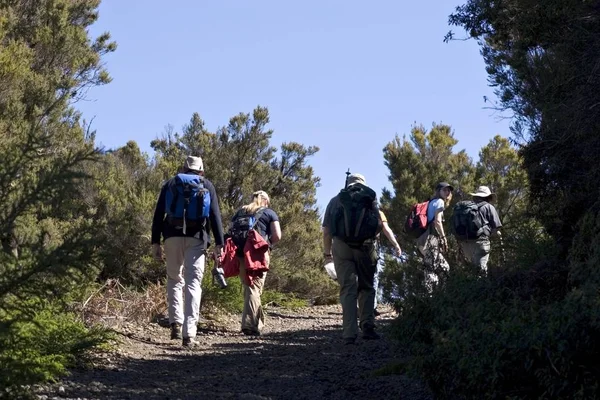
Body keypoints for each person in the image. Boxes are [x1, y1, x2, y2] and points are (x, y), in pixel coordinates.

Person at [151, 155, 224, 347]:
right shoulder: (207, 185)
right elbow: (215, 215)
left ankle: (175, 322)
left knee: (174, 279)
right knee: (193, 282)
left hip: (171, 236)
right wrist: (219, 243)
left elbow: (159, 213)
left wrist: (155, 242)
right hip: (197, 238)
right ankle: (189, 334)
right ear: (201, 170)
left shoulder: (170, 183)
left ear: (183, 168)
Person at [322, 173, 382, 344]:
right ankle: (368, 326)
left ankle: (349, 332)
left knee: (348, 289)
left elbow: (326, 231)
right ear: (363, 184)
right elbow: (379, 224)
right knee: (367, 286)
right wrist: (369, 239)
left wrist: (327, 255)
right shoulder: (370, 197)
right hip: (365, 246)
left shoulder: (335, 200)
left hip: (341, 246)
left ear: (347, 183)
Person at [229, 190, 281, 336]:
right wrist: (267, 243)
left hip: (240, 253)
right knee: (254, 287)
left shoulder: (240, 212)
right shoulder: (269, 213)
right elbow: (277, 235)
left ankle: (257, 322)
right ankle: (249, 325)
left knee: (249, 287)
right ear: (265, 200)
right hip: (258, 253)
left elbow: (230, 230)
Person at [417, 182, 453, 290]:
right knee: (430, 269)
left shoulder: (430, 202)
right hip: (430, 239)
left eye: (449, 190)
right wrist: (443, 238)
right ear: (438, 191)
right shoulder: (439, 202)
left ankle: (441, 294)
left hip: (422, 239)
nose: (447, 192)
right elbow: (437, 221)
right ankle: (430, 298)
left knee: (444, 268)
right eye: (444, 190)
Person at [458, 186, 502, 272]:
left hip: (465, 244)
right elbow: (496, 229)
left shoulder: (467, 208)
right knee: (481, 272)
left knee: (470, 271)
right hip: (481, 243)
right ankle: (481, 285)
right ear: (488, 197)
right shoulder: (489, 207)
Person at [373, 210, 402, 315]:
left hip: (353, 248)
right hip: (372, 247)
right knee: (373, 277)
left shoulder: (354, 210)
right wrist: (396, 245)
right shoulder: (378, 212)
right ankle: (371, 307)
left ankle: (355, 307)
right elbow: (386, 229)